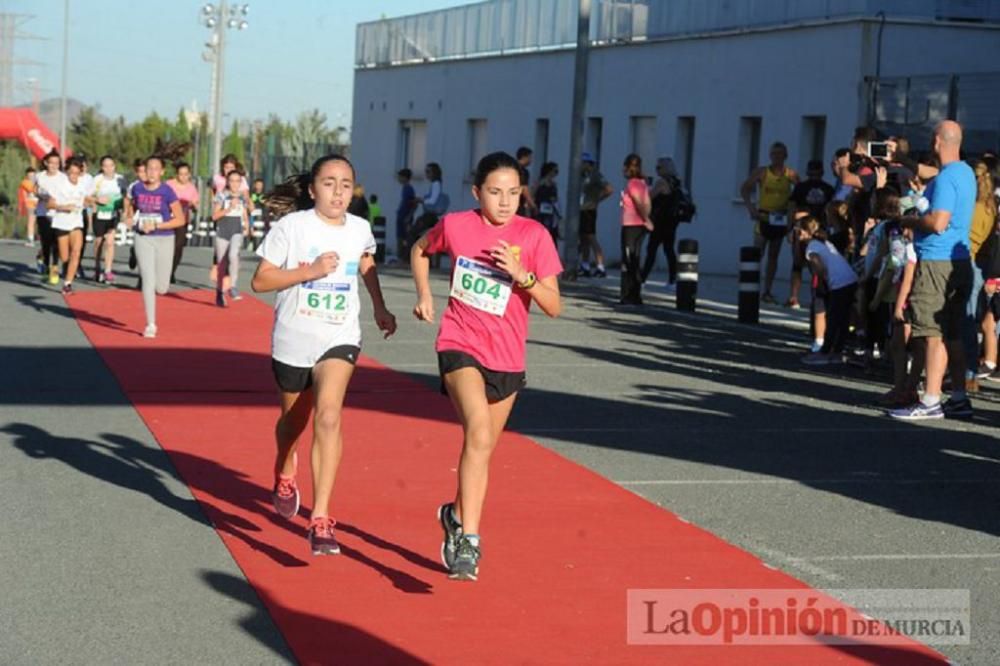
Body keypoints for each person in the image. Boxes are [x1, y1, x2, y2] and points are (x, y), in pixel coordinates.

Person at [411, 151, 562, 581]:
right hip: (459, 343)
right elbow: (420, 249)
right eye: (495, 192)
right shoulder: (457, 225)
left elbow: (554, 306)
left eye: (513, 193)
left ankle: (454, 514)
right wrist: (424, 295)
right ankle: (469, 542)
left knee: (482, 449)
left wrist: (522, 275)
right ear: (477, 192)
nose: (504, 201)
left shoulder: (534, 236)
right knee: (477, 432)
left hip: (508, 358)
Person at [251, 154, 397, 556]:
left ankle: (321, 518)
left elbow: (366, 262)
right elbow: (261, 280)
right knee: (293, 424)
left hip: (339, 335)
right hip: (293, 338)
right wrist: (308, 272)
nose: (338, 192)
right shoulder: (291, 228)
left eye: (346, 184)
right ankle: (284, 465)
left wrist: (380, 307)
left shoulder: (360, 229)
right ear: (313, 189)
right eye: (329, 183)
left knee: (329, 416)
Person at [891, 121, 975, 421]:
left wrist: (910, 221)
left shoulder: (947, 178)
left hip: (937, 262)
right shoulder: (963, 172)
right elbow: (933, 176)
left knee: (930, 333)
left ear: (937, 141)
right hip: (960, 260)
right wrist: (904, 162)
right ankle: (958, 397)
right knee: (952, 332)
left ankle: (930, 400)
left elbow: (938, 223)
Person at [124, 155, 185, 339]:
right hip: (143, 238)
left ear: (162, 172)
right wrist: (128, 217)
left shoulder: (167, 191)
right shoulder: (137, 188)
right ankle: (151, 324)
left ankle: (160, 290)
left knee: (161, 288)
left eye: (156, 169)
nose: (151, 172)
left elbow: (180, 219)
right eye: (149, 168)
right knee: (148, 281)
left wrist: (157, 225)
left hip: (165, 238)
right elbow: (130, 205)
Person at [741, 141, 799, 304]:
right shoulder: (763, 172)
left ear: (785, 156)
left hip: (780, 220)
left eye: (780, 154)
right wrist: (751, 208)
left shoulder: (790, 174)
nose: (777, 157)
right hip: (763, 218)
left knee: (774, 256)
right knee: (757, 253)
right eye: (774, 154)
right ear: (770, 156)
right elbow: (745, 188)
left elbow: (800, 193)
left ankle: (767, 291)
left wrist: (793, 214)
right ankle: (751, 287)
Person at [799, 217, 858, 365]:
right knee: (843, 318)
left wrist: (824, 277)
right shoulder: (823, 242)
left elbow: (818, 265)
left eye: (799, 229)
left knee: (833, 318)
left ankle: (826, 352)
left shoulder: (811, 246)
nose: (796, 231)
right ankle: (837, 351)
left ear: (807, 232)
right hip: (850, 278)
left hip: (839, 283)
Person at [788, 160, 835, 308]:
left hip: (818, 230)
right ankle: (795, 297)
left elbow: (831, 209)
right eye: (812, 173)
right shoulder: (801, 188)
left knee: (814, 265)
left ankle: (814, 295)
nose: (814, 176)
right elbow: (792, 208)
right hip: (803, 229)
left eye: (816, 173)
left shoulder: (828, 189)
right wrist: (790, 228)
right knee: (798, 264)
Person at [47, 156, 91, 295]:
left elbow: (85, 199)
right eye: (71, 173)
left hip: (76, 222)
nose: (74, 176)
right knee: (65, 258)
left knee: (76, 252)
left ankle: (67, 284)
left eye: (77, 173)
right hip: (61, 223)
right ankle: (63, 267)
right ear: (66, 171)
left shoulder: (82, 185)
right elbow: (50, 204)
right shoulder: (60, 185)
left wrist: (97, 201)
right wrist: (63, 207)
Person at [211, 170, 252, 306]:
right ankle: (219, 292)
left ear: (241, 183)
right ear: (227, 182)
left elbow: (244, 213)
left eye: (237, 181)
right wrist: (228, 209)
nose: (234, 184)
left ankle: (233, 286)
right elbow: (215, 216)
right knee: (222, 265)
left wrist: (247, 224)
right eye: (232, 180)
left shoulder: (243, 197)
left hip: (237, 230)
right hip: (223, 231)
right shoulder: (222, 195)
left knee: (233, 255)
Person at [641, 157, 682, 289]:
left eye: (659, 167)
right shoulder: (676, 182)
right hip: (672, 221)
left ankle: (642, 278)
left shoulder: (661, 182)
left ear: (665, 168)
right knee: (669, 250)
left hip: (660, 221)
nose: (656, 169)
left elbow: (649, 197)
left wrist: (646, 186)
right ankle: (672, 280)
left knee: (651, 249)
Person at [619, 154, 654, 305]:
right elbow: (647, 203)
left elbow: (639, 202)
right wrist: (646, 218)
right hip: (638, 225)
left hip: (631, 225)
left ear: (628, 167)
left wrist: (646, 219)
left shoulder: (632, 184)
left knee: (629, 260)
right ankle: (633, 294)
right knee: (634, 259)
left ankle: (630, 294)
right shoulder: (642, 183)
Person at [91, 156, 127, 284]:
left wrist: (123, 211)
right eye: (105, 166)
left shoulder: (121, 179)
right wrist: (97, 200)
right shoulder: (97, 180)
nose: (108, 168)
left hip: (113, 214)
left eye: (111, 165)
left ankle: (108, 270)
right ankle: (97, 267)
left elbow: (125, 196)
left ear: (114, 166)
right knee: (99, 242)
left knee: (110, 241)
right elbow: (89, 196)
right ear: (102, 167)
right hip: (100, 214)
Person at [579, 152, 613, 278]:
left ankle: (600, 266)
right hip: (582, 209)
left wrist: (596, 200)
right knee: (584, 239)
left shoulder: (595, 175)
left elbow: (609, 189)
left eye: (583, 163)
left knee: (591, 237)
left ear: (588, 164)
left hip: (589, 210)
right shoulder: (582, 176)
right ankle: (585, 265)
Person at [34, 150, 65, 285]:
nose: (54, 166)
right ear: (46, 163)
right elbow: (35, 190)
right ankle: (46, 265)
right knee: (46, 242)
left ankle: (54, 267)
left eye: (57, 164)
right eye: (51, 163)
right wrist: (42, 197)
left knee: (57, 242)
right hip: (42, 213)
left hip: (58, 213)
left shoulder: (63, 177)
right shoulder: (39, 176)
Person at [167, 162, 200, 284]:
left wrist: (192, 205)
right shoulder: (169, 185)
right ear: (177, 175)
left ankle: (171, 272)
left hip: (182, 221)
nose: (183, 177)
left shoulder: (191, 188)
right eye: (181, 174)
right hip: (168, 219)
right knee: (166, 247)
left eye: (186, 174)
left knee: (178, 247)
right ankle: (163, 271)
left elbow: (196, 205)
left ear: (189, 175)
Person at [125, 159, 147, 274]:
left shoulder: (154, 184)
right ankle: (135, 253)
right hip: (138, 217)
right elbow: (128, 200)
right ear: (136, 172)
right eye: (140, 172)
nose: (143, 174)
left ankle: (144, 276)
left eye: (145, 171)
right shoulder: (134, 186)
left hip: (151, 218)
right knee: (141, 245)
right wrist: (128, 215)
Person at [532, 161, 560, 244]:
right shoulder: (539, 183)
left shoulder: (553, 184)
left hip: (549, 211)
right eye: (555, 171)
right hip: (539, 210)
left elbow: (555, 199)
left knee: (549, 231)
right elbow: (533, 194)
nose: (556, 174)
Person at [395, 168, 417, 258]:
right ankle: (400, 256)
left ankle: (403, 257)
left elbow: (413, 204)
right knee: (400, 236)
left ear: (404, 177)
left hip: (405, 217)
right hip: (401, 216)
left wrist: (409, 216)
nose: (398, 179)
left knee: (405, 237)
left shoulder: (409, 189)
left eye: (400, 177)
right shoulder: (405, 188)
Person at [515, 146, 537, 217]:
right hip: (519, 204)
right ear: (524, 157)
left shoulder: (511, 167)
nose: (531, 160)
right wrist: (532, 205)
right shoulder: (523, 171)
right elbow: (524, 189)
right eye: (530, 157)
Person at [18, 167, 38, 246]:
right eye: (29, 175)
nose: (31, 177)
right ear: (26, 175)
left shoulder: (38, 182)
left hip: (39, 204)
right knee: (31, 221)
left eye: (33, 175)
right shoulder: (25, 182)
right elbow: (32, 190)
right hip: (30, 203)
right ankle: (30, 239)